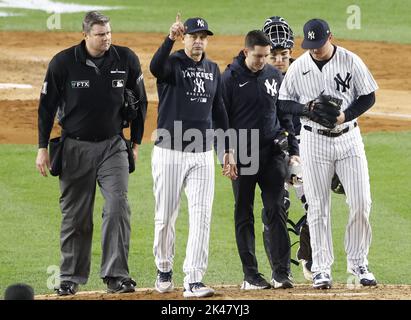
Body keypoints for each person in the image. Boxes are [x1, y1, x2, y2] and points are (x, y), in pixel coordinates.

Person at [36, 11, 147, 295]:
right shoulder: (63, 63)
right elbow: (46, 107)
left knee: (118, 207)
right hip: (74, 146)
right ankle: (70, 277)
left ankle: (116, 275)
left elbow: (141, 102)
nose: (106, 38)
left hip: (113, 145)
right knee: (76, 216)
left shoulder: (126, 59)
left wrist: (135, 143)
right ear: (86, 35)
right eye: (100, 34)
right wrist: (41, 148)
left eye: (108, 33)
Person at [279, 18, 378, 289]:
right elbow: (284, 102)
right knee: (318, 206)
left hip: (349, 139)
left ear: (330, 37)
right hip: (314, 143)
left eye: (319, 45)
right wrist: (306, 109)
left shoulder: (350, 60)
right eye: (310, 46)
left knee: (361, 201)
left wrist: (345, 115)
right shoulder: (298, 67)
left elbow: (369, 96)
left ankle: (359, 263)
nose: (315, 50)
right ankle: (321, 268)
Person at [149, 14, 230, 298]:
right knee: (165, 217)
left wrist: (227, 150)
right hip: (169, 151)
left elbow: (219, 110)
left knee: (202, 216)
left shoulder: (212, 68)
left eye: (203, 37)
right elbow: (154, 67)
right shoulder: (172, 64)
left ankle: (194, 279)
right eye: (194, 36)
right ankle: (164, 267)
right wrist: (168, 39)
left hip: (202, 153)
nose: (199, 41)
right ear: (185, 38)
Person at [221, 30, 299, 290]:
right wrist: (226, 151)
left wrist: (293, 147)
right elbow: (220, 121)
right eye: (258, 56)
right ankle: (251, 275)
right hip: (243, 153)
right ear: (246, 52)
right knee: (244, 213)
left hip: (271, 152)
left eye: (266, 56)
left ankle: (281, 272)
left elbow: (283, 112)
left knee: (275, 209)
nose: (264, 60)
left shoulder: (274, 75)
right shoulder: (229, 79)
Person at [262, 16, 313, 281]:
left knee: (314, 204)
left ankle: (309, 256)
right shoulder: (256, 77)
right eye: (274, 55)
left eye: (284, 54)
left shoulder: (304, 73)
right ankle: (279, 270)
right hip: (270, 152)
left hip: (301, 148)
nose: (279, 60)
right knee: (276, 207)